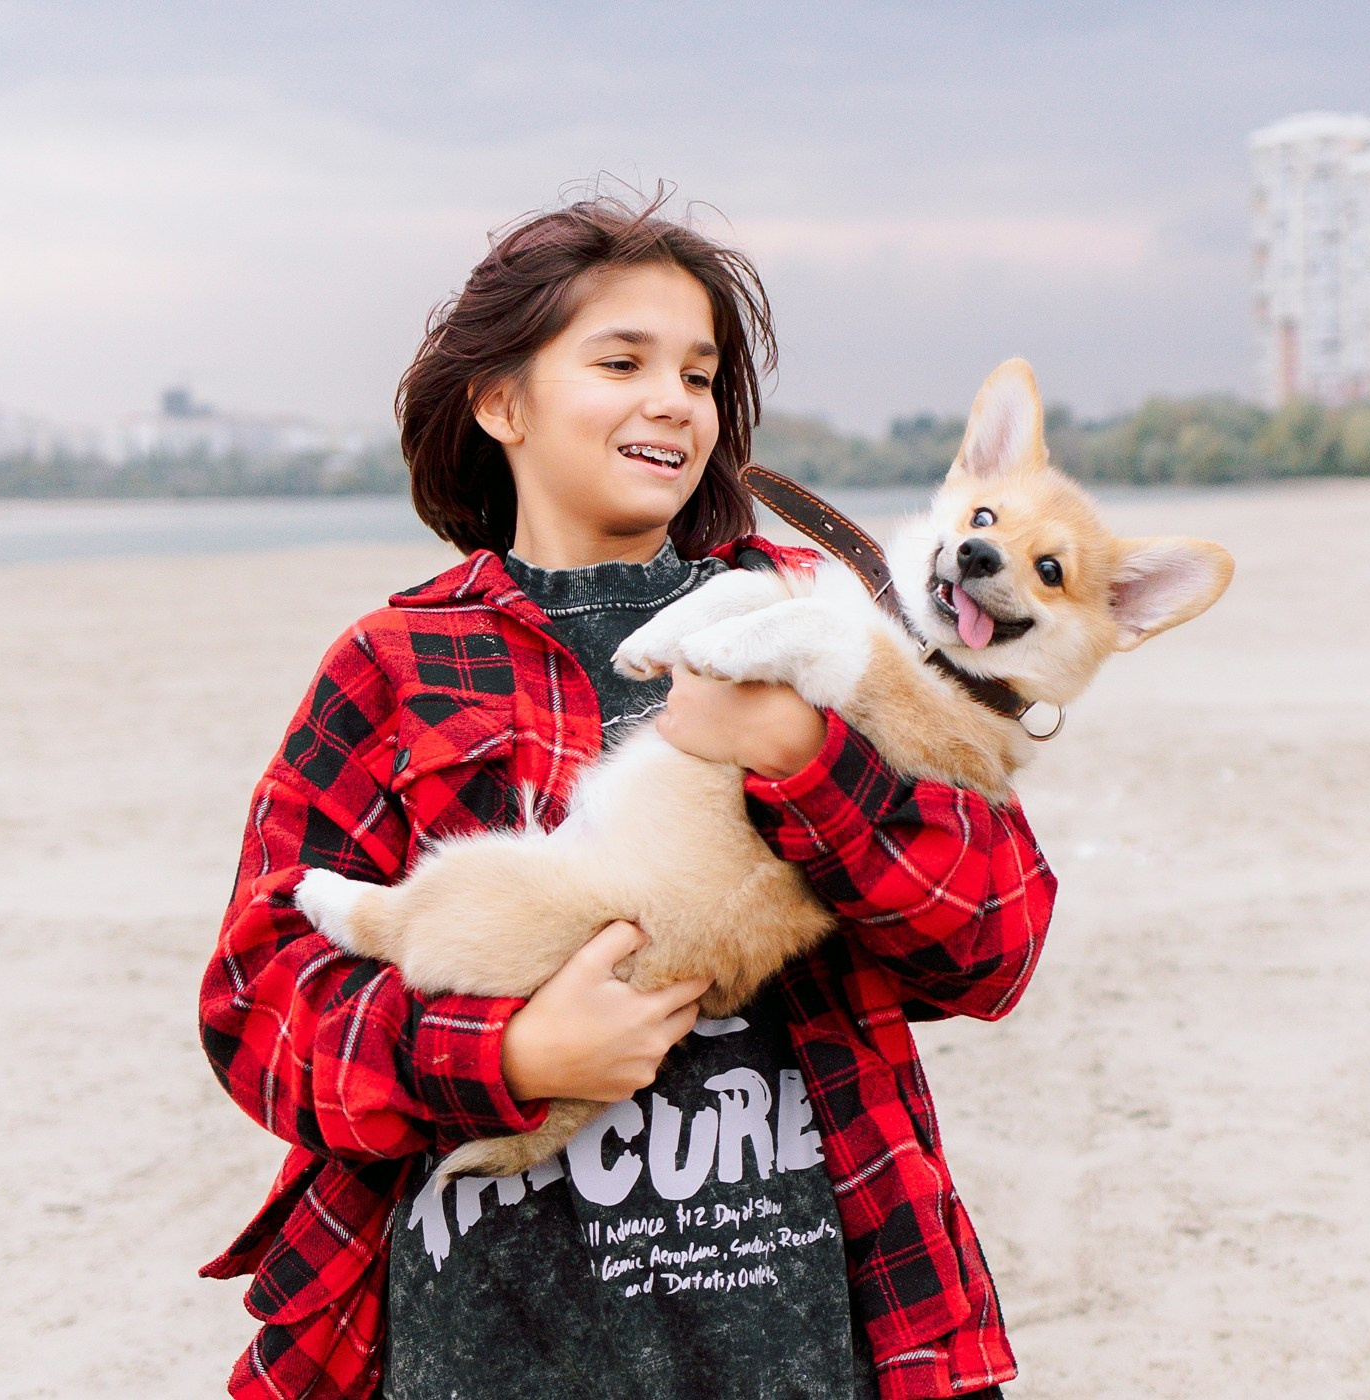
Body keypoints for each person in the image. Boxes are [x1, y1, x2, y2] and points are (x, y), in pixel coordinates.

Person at [197, 194, 1056, 1400]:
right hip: (492, 1343)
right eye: (622, 362)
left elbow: (994, 940)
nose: (674, 401)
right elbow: (259, 1003)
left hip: (814, 1336)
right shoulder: (393, 664)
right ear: (501, 403)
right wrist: (509, 1053)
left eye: (699, 376)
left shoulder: (820, 619)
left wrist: (805, 753)